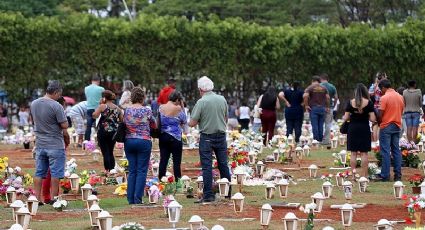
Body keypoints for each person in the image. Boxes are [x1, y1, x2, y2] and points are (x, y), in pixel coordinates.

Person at [189, 76, 231, 203]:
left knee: (207, 166)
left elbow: (192, 122)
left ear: (201, 89)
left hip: (207, 136)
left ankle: (208, 195)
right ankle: (227, 193)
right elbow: (226, 118)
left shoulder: (201, 102)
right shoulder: (222, 99)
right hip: (221, 135)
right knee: (223, 164)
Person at [30, 80, 68, 203]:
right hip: (55, 144)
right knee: (56, 173)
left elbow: (34, 121)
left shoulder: (34, 103)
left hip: (40, 143)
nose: (59, 97)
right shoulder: (57, 106)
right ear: (56, 92)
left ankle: (37, 198)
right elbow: (64, 125)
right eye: (59, 94)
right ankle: (54, 199)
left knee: (39, 172)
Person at [124, 87, 157, 204]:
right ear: (143, 98)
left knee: (132, 170)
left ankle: (130, 198)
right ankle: (137, 198)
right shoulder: (147, 110)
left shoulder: (127, 110)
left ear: (132, 98)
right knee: (142, 171)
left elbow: (124, 123)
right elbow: (154, 125)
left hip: (129, 141)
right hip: (143, 141)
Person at [343, 84, 377, 177]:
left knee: (353, 153)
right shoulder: (369, 103)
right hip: (364, 128)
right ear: (365, 91)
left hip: (352, 128)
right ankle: (364, 175)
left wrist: (352, 115)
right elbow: (373, 119)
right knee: (364, 153)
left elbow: (345, 118)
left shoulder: (350, 102)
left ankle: (353, 175)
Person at [377, 79, 404, 182]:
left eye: (381, 89)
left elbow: (380, 114)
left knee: (385, 151)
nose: (381, 91)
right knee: (396, 150)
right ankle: (398, 175)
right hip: (397, 125)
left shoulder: (384, 98)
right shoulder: (400, 97)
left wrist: (379, 123)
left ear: (383, 87)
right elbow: (401, 110)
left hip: (386, 126)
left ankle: (385, 175)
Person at [158, 91, 187, 181]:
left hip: (163, 136)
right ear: (178, 100)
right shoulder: (178, 108)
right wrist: (182, 106)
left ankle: (161, 179)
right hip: (176, 137)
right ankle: (178, 181)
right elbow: (184, 120)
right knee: (176, 161)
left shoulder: (161, 107)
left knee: (163, 160)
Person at [93, 90, 123, 172]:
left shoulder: (102, 106)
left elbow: (94, 115)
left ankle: (107, 170)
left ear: (104, 98)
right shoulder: (118, 108)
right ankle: (112, 170)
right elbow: (122, 120)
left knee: (105, 152)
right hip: (113, 132)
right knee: (110, 151)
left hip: (103, 131)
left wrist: (99, 105)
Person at [303, 76, 330, 142]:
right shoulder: (324, 88)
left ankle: (316, 140)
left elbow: (305, 96)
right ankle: (320, 139)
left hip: (314, 108)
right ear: (319, 81)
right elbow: (328, 98)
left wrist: (306, 105)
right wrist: (327, 107)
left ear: (312, 81)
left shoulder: (310, 87)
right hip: (322, 108)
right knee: (320, 125)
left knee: (314, 125)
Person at [84, 75, 105, 141]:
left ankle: (86, 142)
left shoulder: (86, 88)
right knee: (100, 126)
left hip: (89, 109)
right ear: (98, 81)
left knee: (88, 126)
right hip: (98, 109)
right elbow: (104, 100)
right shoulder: (101, 89)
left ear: (92, 81)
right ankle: (100, 142)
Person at [320, 74, 338, 145]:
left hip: (320, 107)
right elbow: (336, 97)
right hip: (329, 107)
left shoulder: (318, 86)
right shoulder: (332, 86)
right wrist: (334, 105)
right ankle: (326, 140)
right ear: (327, 79)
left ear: (321, 79)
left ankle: (318, 139)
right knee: (328, 124)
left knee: (319, 123)